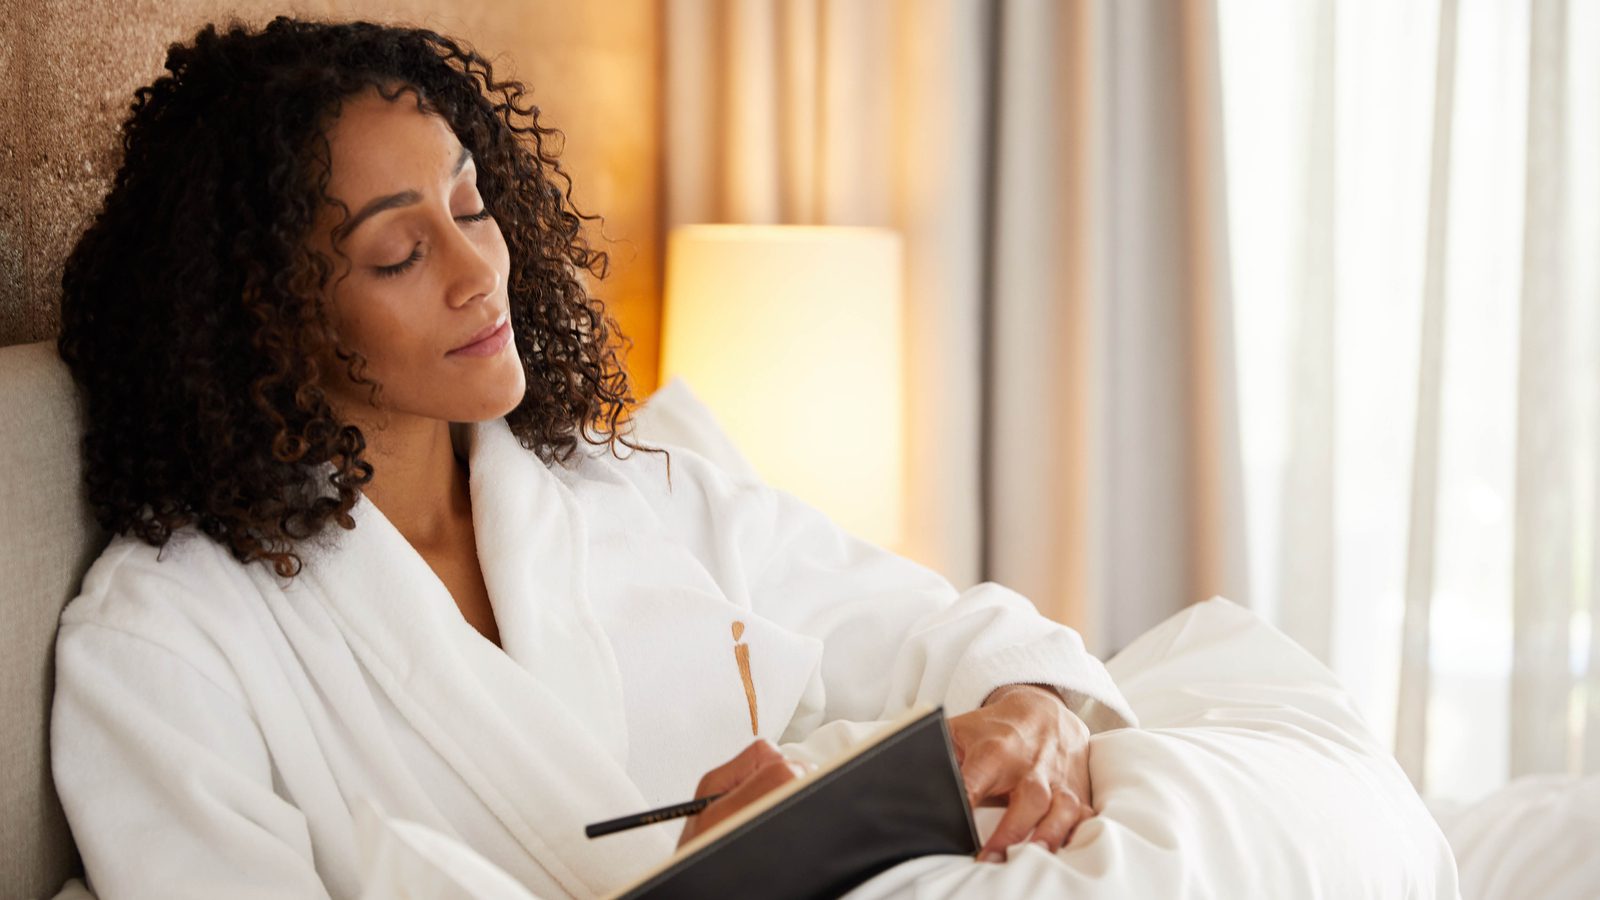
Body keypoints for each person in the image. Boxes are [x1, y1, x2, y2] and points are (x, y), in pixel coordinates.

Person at [50, 16, 1136, 899]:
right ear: (266, 317)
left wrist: (1035, 711)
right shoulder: (164, 644)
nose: (480, 270)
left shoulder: (624, 485)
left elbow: (948, 632)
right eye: (398, 253)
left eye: (473, 205)